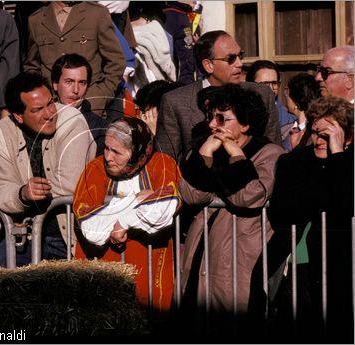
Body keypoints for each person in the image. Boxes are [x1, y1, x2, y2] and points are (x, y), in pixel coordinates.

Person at [177, 84, 284, 332]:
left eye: (222, 118)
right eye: (210, 117)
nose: (213, 125)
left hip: (237, 261)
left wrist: (236, 156)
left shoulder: (269, 154)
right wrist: (204, 154)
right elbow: (192, 195)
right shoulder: (207, 148)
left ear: (245, 125)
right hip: (201, 254)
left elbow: (248, 197)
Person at [262, 96, 354, 342]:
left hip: (344, 264)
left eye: (329, 135)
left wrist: (337, 156)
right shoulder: (294, 162)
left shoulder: (349, 163)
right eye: (316, 133)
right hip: (300, 262)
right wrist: (322, 195)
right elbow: (282, 211)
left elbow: (346, 204)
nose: (320, 140)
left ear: (348, 137)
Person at [0, 72, 96, 267]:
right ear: (18, 116)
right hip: (24, 237)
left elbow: (70, 185)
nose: (49, 114)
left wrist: (35, 194)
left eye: (51, 103)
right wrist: (22, 194)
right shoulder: (2, 132)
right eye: (38, 109)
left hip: (67, 237)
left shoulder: (72, 121)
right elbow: (0, 189)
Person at [73, 116, 182, 311]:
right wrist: (135, 200)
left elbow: (164, 207)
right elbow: (90, 225)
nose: (107, 157)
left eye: (116, 151)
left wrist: (122, 221)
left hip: (149, 274)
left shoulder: (162, 164)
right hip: (103, 275)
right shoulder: (95, 169)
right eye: (106, 148)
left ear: (137, 151)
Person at [156, 30, 282, 163]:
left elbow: (275, 155)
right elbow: (166, 164)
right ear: (208, 65)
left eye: (240, 56)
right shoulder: (175, 102)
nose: (239, 64)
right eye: (231, 59)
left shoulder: (261, 94)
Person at [24, 1, 125, 116]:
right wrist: (43, 100)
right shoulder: (36, 19)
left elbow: (116, 61)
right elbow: (32, 67)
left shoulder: (96, 13)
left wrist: (99, 97)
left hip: (89, 109)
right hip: (52, 112)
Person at [51, 53, 108, 156]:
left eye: (82, 83)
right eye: (69, 82)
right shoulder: (43, 121)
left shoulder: (100, 129)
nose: (76, 90)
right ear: (55, 84)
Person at [246, 60, 296, 149]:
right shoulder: (238, 116)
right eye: (264, 84)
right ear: (250, 85)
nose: (270, 89)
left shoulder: (290, 121)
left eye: (274, 83)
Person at [283, 73, 320, 151]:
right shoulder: (284, 130)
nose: (286, 97)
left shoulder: (317, 131)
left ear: (296, 100)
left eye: (287, 94)